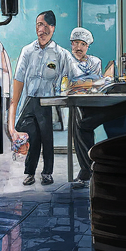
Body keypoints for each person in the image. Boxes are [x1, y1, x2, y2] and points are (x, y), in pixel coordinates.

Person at [7, 10, 73, 186]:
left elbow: (68, 78)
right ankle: (29, 172)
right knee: (32, 137)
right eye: (38, 24)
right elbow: (18, 80)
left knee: (46, 138)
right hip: (30, 101)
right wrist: (13, 113)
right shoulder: (27, 51)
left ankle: (47, 173)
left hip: (48, 102)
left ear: (52, 28)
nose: (41, 29)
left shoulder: (60, 54)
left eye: (44, 25)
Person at [66, 27, 103, 189]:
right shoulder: (66, 60)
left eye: (83, 44)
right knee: (79, 127)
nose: (79, 47)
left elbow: (96, 83)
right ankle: (87, 169)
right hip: (76, 102)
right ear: (71, 44)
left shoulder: (95, 62)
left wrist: (80, 83)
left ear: (87, 46)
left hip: (93, 103)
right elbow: (66, 82)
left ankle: (88, 169)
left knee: (82, 128)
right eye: (76, 43)